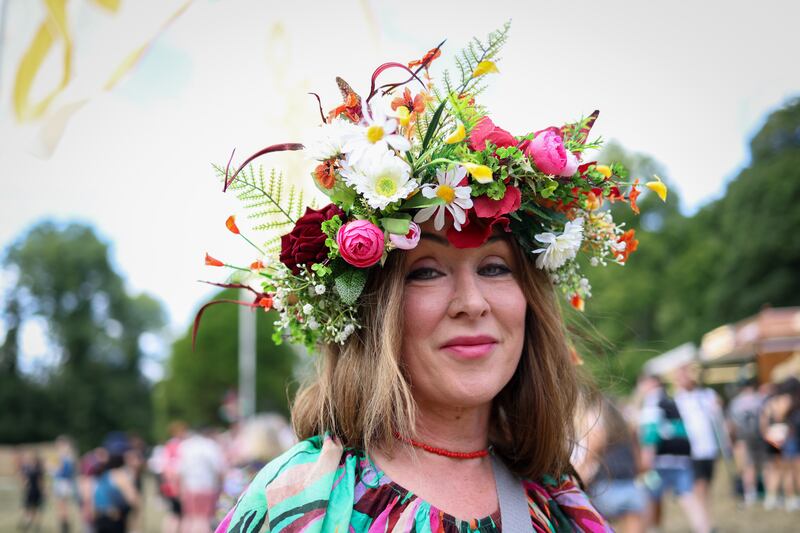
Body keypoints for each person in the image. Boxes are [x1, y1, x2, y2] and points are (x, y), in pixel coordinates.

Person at [199, 28, 666, 533]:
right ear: (371, 310)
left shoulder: (556, 499)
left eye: (494, 267)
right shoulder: (296, 503)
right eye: (425, 272)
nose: (472, 302)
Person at [637, 374, 711, 533]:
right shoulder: (672, 401)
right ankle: (704, 529)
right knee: (688, 496)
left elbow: (650, 433)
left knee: (650, 498)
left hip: (661, 460)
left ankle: (650, 529)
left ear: (650, 383)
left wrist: (645, 461)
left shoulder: (652, 402)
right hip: (682, 457)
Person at [574, 394, 647, 533]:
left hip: (605, 491)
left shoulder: (599, 435)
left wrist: (576, 482)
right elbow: (640, 466)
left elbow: (587, 463)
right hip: (632, 490)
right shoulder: (630, 432)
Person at [673, 364, 727, 526]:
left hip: (708, 448)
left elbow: (718, 416)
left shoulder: (707, 395)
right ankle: (703, 524)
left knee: (706, 486)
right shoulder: (677, 399)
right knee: (699, 486)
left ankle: (705, 519)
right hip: (691, 449)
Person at [177, 428, 225, 533]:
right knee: (203, 519)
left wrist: (181, 489)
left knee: (189, 518)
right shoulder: (210, 445)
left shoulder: (185, 445)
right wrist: (222, 485)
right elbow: (219, 469)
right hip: (207, 487)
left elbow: (180, 471)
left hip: (190, 487)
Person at [727, 377, 765, 505]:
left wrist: (731, 440)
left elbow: (730, 424)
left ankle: (750, 492)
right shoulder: (759, 399)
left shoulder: (736, 402)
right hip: (759, 436)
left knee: (748, 466)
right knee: (764, 465)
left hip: (743, 437)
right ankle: (768, 492)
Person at [53, 436, 80, 533]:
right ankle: (66, 528)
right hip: (68, 483)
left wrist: (52, 469)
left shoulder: (63, 455)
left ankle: (64, 529)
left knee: (62, 508)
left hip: (61, 482)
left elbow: (60, 471)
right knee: (66, 507)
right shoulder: (72, 456)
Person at [18, 449, 45, 532]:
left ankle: (29, 522)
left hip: (31, 490)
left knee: (29, 508)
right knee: (35, 508)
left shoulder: (29, 469)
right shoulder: (38, 469)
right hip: (35, 491)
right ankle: (35, 524)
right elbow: (40, 482)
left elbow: (25, 481)